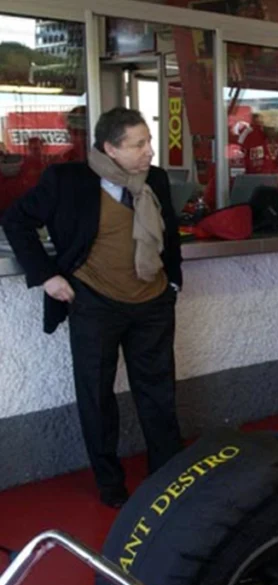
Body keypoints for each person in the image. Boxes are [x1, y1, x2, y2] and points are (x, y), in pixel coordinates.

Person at [2, 107, 183, 508]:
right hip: (95, 303)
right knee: (96, 395)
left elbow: (169, 234)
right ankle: (110, 484)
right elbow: (16, 220)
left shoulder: (154, 179)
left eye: (148, 141)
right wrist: (47, 276)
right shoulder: (67, 181)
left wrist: (172, 282)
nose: (149, 151)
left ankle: (168, 473)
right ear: (110, 148)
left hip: (152, 303)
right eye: (138, 145)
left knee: (158, 392)